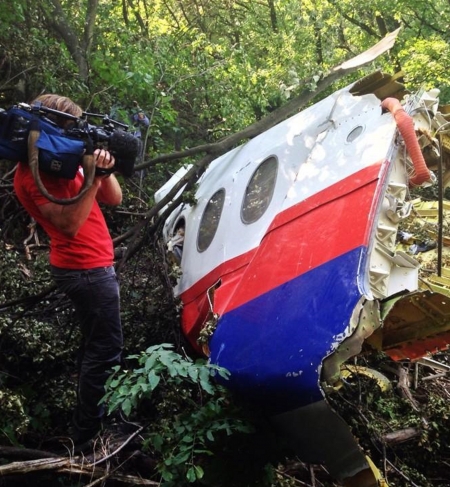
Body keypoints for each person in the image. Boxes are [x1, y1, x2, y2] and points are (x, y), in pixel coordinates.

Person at [13, 94, 123, 445]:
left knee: (97, 347)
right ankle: (89, 435)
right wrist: (92, 180)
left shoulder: (65, 160)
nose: (75, 131)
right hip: (84, 271)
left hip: (94, 266)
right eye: (69, 125)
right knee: (105, 351)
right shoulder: (32, 173)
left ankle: (90, 423)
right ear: (51, 126)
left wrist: (101, 170)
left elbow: (114, 198)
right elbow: (71, 224)